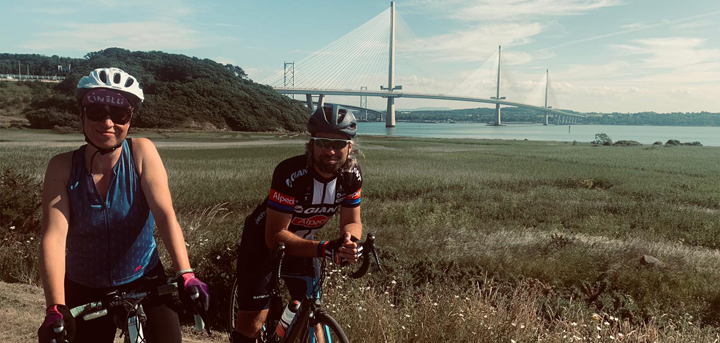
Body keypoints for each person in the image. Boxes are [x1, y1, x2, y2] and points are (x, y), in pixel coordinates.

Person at [37, 67, 209, 343]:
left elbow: (165, 216)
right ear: (81, 114)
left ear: (130, 119)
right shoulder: (62, 166)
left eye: (119, 115)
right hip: (84, 286)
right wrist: (55, 306)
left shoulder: (141, 152)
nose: (107, 122)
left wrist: (186, 273)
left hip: (145, 279)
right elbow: (54, 236)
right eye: (96, 111)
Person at [232, 104, 363, 343]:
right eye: (323, 142)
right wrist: (324, 248)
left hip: (304, 241)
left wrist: (350, 241)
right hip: (263, 242)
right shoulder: (290, 173)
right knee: (252, 324)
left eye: (338, 144)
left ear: (350, 147)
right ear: (311, 144)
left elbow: (352, 221)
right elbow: (275, 237)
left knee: (312, 313)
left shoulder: (351, 176)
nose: (330, 151)